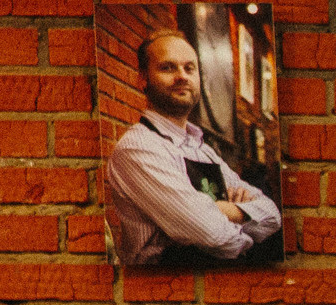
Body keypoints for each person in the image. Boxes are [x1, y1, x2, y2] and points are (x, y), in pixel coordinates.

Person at [104, 30, 281, 270]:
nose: (182, 76)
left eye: (189, 68)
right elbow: (212, 235)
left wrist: (222, 210)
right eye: (168, 68)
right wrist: (245, 225)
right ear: (143, 80)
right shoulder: (137, 148)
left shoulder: (202, 149)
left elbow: (272, 214)